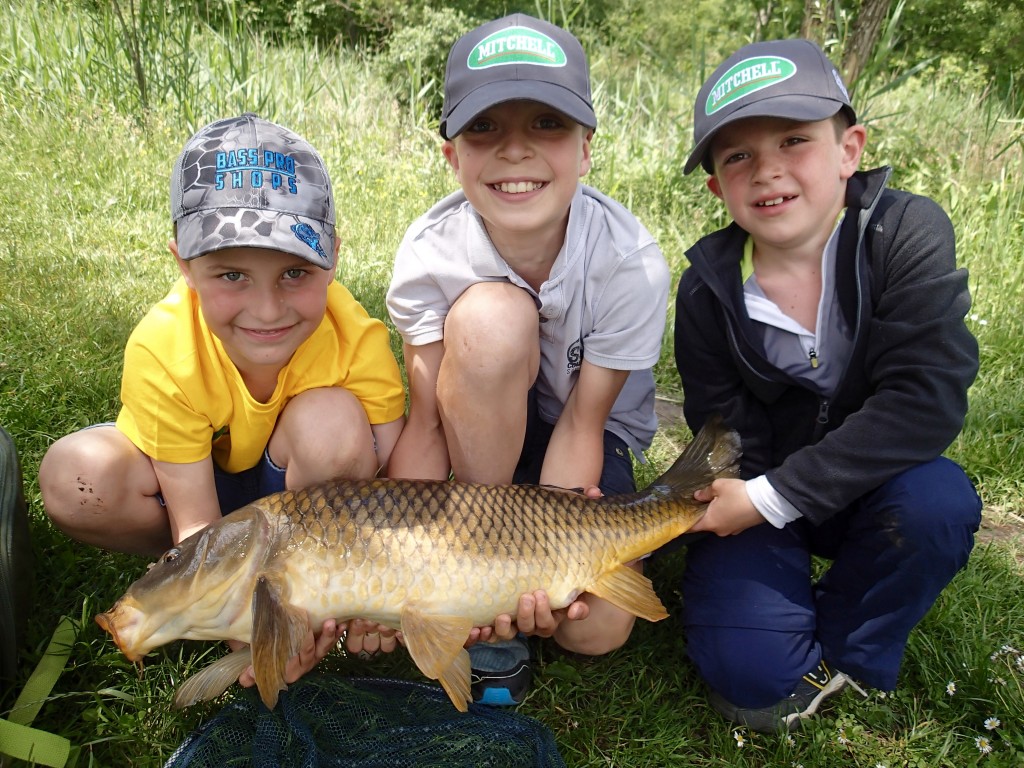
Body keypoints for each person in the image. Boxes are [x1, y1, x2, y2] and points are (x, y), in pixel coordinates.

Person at [673, 39, 982, 732]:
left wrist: (767, 499)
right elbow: (726, 434)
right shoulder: (704, 290)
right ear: (716, 186)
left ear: (849, 150)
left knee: (937, 504)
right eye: (737, 156)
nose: (768, 171)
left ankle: (851, 646)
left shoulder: (906, 232)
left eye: (794, 140)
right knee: (750, 686)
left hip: (879, 485)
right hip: (758, 489)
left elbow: (925, 401)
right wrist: (741, 502)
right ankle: (766, 615)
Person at [38, 112, 408, 685]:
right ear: (184, 264)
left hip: (305, 501)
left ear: (333, 256)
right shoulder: (164, 349)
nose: (266, 310)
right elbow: (198, 524)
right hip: (187, 489)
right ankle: (194, 585)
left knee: (333, 423)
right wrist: (250, 628)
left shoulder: (357, 339)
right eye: (231, 275)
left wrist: (379, 594)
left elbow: (392, 501)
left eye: (294, 273)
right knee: (75, 477)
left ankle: (307, 590)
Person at [385, 13, 671, 705]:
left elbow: (582, 424)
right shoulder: (429, 255)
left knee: (594, 630)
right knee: (490, 318)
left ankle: (508, 589)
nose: (516, 152)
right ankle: (493, 609)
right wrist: (400, 564)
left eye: (546, 124)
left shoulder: (629, 262)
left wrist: (552, 561)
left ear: (586, 148)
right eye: (485, 129)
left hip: (582, 441)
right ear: (451, 155)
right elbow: (424, 425)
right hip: (473, 442)